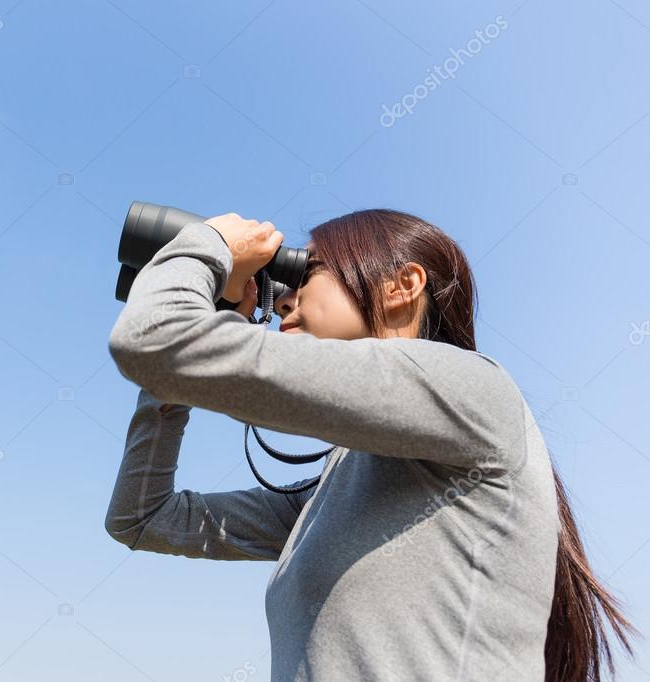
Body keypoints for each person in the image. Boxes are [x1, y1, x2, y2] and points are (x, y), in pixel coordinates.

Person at [104, 210, 636, 681]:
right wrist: (169, 387)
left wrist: (211, 245)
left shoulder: (472, 386)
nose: (284, 297)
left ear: (401, 285)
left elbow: (153, 339)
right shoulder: (336, 493)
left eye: (304, 274)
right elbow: (143, 519)